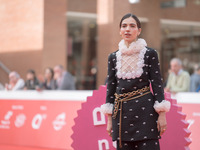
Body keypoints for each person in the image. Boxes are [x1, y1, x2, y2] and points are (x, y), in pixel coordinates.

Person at [101, 13, 171, 150]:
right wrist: (109, 120)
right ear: (120, 31)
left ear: (139, 31)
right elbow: (111, 89)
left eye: (132, 26)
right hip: (121, 114)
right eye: (124, 26)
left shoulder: (150, 54)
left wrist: (162, 115)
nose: (127, 29)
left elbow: (157, 85)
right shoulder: (113, 57)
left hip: (146, 113)